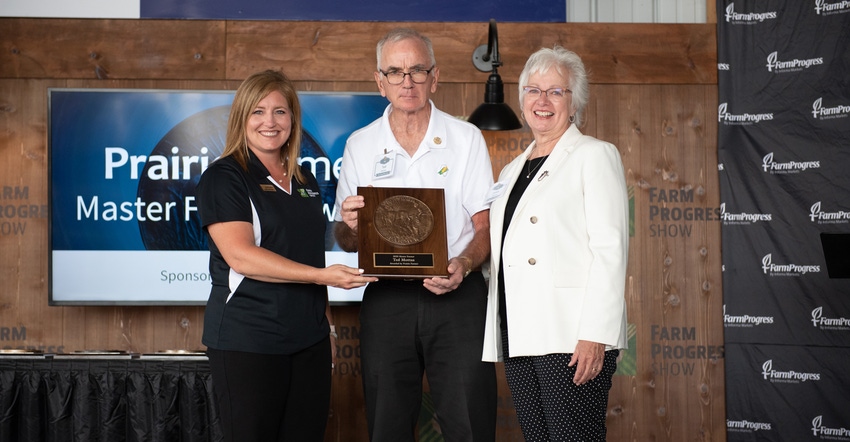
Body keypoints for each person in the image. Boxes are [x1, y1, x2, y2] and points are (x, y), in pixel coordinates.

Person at [195, 69, 376, 442]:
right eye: (258, 112)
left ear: (293, 120)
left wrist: (323, 326)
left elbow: (310, 256)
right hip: (249, 341)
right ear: (241, 118)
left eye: (280, 111)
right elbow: (242, 257)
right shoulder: (225, 177)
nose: (269, 122)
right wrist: (322, 277)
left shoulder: (305, 180)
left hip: (307, 341)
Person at [333, 28, 497, 442]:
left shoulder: (467, 138)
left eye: (417, 70)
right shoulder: (359, 144)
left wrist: (464, 263)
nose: (407, 81)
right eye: (395, 71)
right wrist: (350, 228)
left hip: (457, 295)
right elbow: (346, 239)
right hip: (387, 300)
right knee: (387, 426)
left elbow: (485, 226)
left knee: (470, 424)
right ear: (379, 81)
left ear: (435, 77)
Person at [481, 46, 629, 441]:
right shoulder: (513, 169)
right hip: (519, 332)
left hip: (570, 334)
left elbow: (610, 250)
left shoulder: (594, 155)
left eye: (556, 92)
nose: (542, 101)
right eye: (533, 90)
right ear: (522, 98)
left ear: (574, 102)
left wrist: (596, 334)